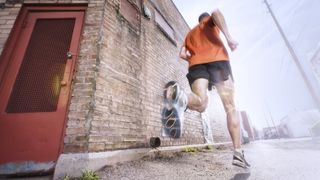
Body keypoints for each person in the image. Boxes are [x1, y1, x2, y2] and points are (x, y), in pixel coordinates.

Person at [166, 9, 250, 168]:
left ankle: (180, 96)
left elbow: (183, 54)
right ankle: (238, 153)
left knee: (201, 103)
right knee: (231, 107)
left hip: (197, 65)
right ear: (206, 19)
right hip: (218, 62)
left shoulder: (190, 33)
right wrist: (229, 38)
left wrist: (196, 57)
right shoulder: (209, 22)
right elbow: (217, 12)